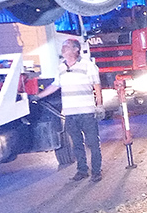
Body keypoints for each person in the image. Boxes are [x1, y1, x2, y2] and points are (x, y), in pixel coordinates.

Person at [34, 39, 106, 182]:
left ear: (76, 49)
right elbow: (55, 85)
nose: (63, 49)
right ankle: (82, 170)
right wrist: (38, 96)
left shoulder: (88, 65)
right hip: (70, 114)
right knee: (77, 144)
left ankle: (96, 171)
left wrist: (99, 105)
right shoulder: (61, 67)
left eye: (66, 46)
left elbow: (97, 86)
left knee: (93, 143)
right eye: (63, 46)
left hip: (86, 113)